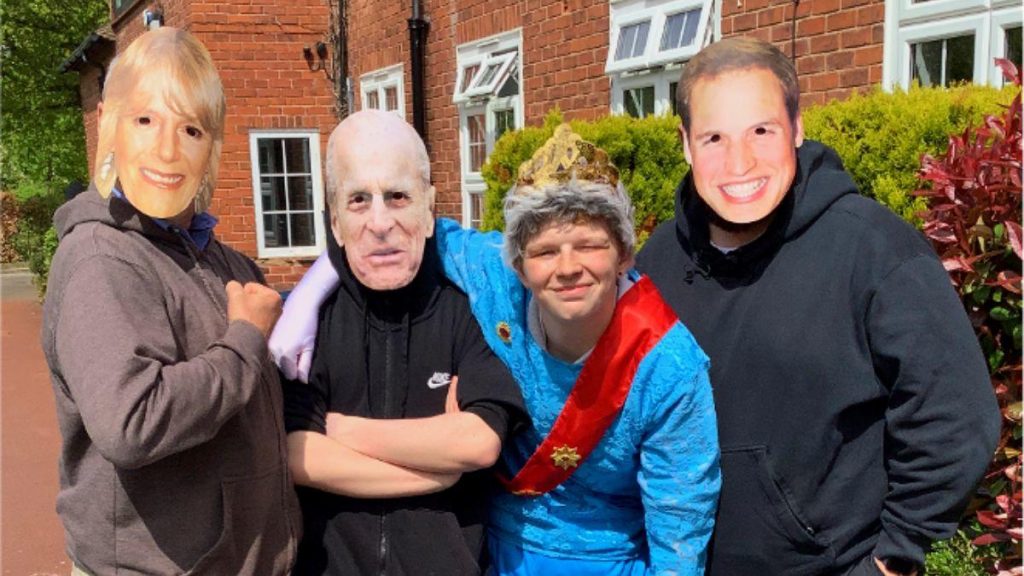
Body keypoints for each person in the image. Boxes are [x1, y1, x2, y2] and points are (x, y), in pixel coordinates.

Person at [272, 124, 720, 575]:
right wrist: (305, 297)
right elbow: (393, 235)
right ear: (520, 265)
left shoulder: (669, 365)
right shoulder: (495, 278)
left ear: (624, 254)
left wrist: (342, 431)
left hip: (609, 561)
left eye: (589, 245)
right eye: (545, 251)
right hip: (499, 556)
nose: (567, 267)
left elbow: (681, 521)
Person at [635, 37, 1001, 576]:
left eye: (762, 130)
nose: (740, 162)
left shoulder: (874, 251)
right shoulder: (659, 261)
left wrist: (893, 557)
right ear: (686, 144)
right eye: (714, 137)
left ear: (798, 129)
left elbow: (955, 421)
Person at [41, 28, 300, 575]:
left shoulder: (226, 263)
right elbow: (130, 422)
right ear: (109, 124)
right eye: (145, 120)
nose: (166, 149)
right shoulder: (99, 258)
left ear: (212, 148)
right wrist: (243, 340)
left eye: (191, 129)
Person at [281, 109, 526, 575]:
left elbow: (477, 443)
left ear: (429, 209)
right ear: (334, 221)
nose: (380, 222)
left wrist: (340, 430)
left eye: (397, 196)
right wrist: (439, 471)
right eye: (358, 200)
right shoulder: (307, 323)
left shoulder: (470, 308)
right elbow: (298, 456)